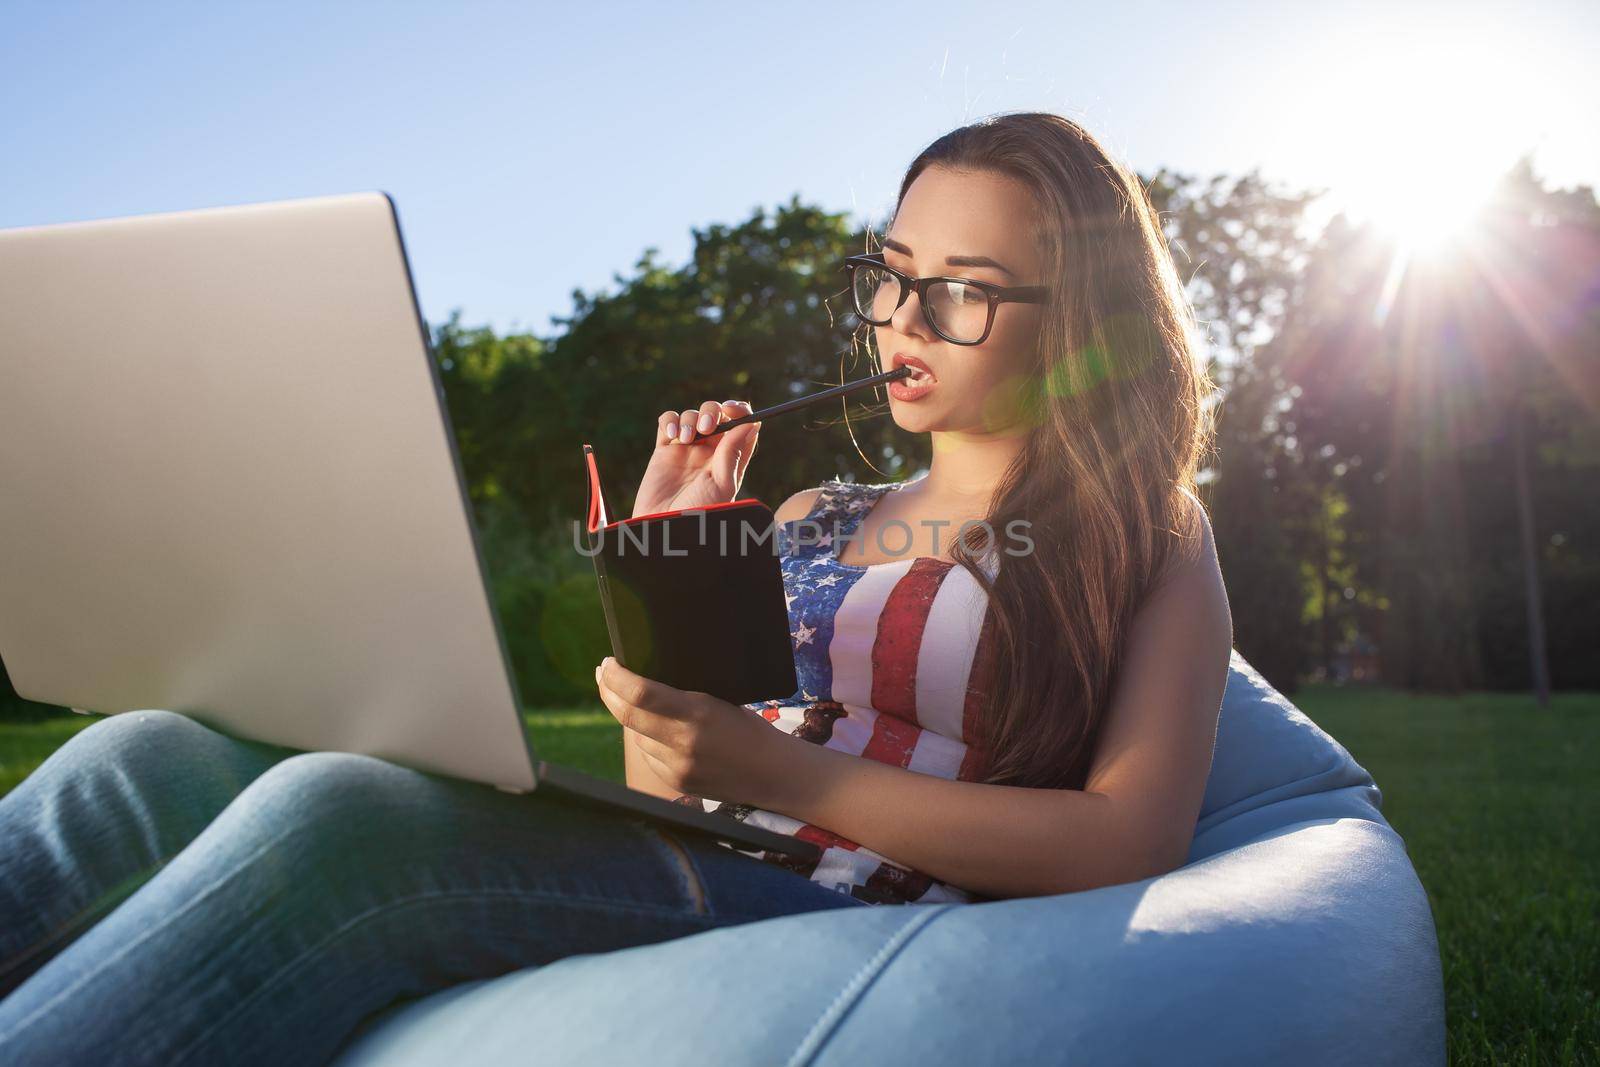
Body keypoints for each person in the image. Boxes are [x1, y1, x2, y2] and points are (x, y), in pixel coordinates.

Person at [0, 111, 1232, 1064]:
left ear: (1078, 319)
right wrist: (662, 554)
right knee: (153, 749)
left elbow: (1131, 834)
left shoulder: (1138, 528)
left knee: (342, 822)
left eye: (959, 290)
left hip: (837, 904)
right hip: (701, 846)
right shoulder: (812, 515)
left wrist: (789, 778)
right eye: (888, 272)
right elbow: (670, 774)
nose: (899, 318)